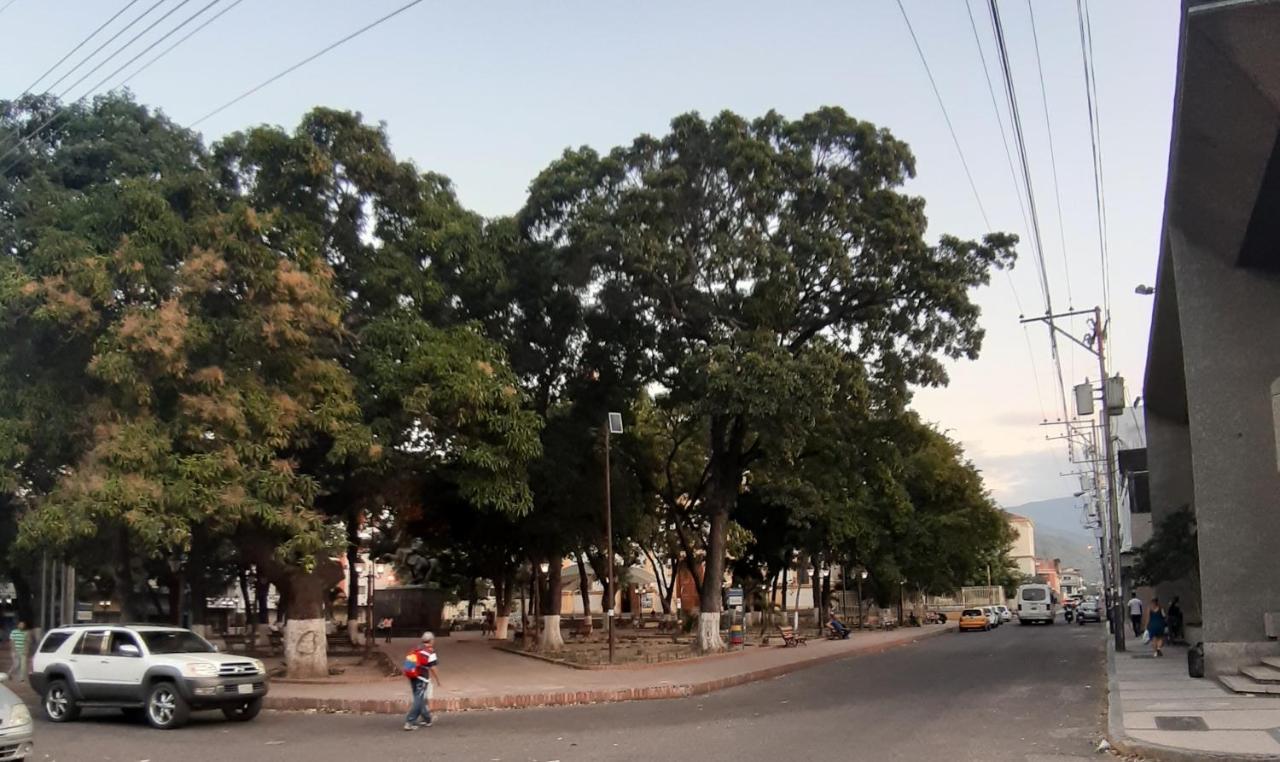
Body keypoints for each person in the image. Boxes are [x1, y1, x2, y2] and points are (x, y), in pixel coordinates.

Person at [403, 631, 441, 731]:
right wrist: (438, 680)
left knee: (420, 698)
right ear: (431, 641)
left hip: (412, 676)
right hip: (422, 678)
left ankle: (427, 719)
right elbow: (433, 668)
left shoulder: (417, 649)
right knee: (419, 700)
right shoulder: (430, 652)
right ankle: (409, 722)